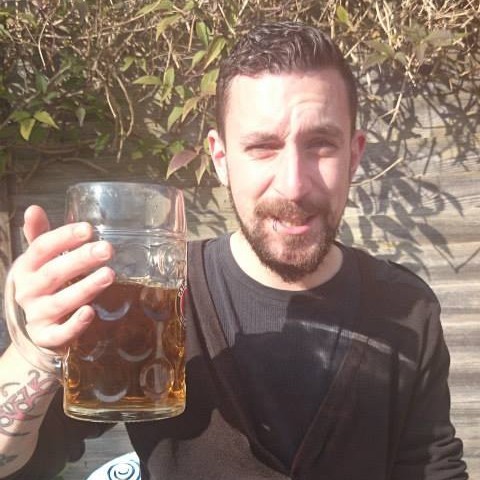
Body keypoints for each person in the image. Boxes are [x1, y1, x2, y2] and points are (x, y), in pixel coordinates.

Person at [0, 21, 468, 480]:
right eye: (263, 146)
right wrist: (34, 350)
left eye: (321, 144)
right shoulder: (156, 298)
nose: (293, 184)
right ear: (221, 159)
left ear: (355, 155)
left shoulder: (407, 307)